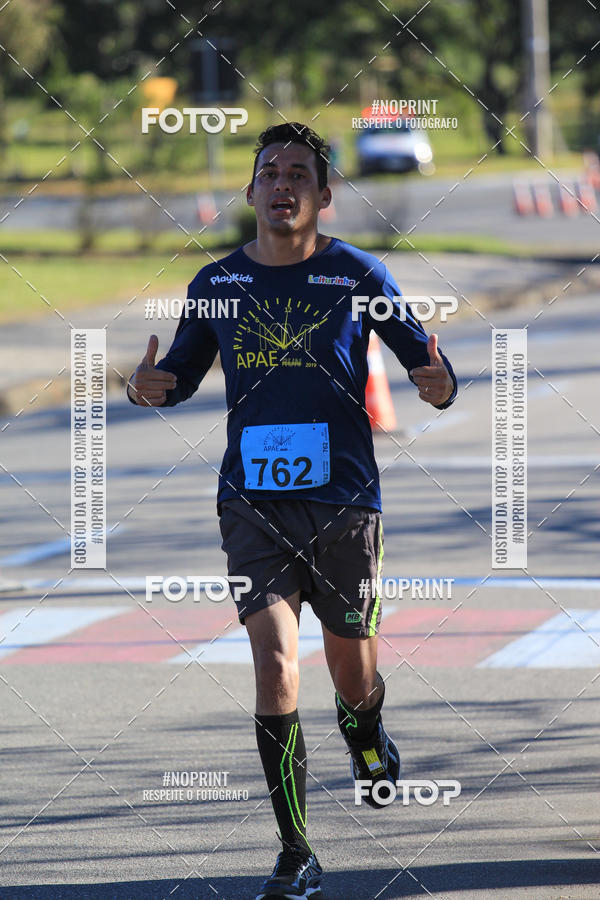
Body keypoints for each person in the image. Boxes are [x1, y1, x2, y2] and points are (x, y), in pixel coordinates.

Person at [127, 122, 457, 900]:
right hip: (251, 505)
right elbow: (179, 372)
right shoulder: (215, 285)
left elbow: (425, 364)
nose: (283, 183)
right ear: (250, 193)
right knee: (276, 664)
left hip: (344, 502)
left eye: (299, 174)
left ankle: (368, 730)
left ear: (322, 195)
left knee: (351, 673)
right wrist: (149, 386)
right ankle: (297, 851)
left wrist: (440, 383)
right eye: (269, 171)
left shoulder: (357, 274)